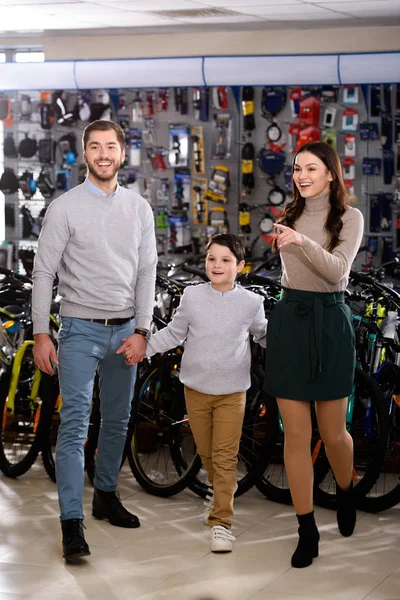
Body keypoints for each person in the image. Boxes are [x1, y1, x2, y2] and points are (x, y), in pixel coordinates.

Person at [32, 120, 157, 562]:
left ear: (123, 153)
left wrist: (143, 331)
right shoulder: (64, 208)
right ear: (84, 154)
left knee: (118, 421)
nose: (104, 154)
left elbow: (147, 274)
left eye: (111, 146)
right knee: (75, 425)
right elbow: (44, 272)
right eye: (95, 147)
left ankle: (105, 495)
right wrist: (41, 333)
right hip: (79, 329)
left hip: (126, 332)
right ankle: (71, 522)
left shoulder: (140, 209)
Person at [265, 141, 364, 568]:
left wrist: (301, 239)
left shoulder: (350, 218)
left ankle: (346, 489)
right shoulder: (289, 215)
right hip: (291, 321)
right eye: (296, 168)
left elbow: (337, 270)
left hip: (329, 324)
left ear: (330, 173)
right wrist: (295, 235)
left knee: (334, 431)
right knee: (296, 435)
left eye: (311, 168)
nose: (301, 175)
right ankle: (306, 529)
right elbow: (296, 273)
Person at [145, 234, 268, 553]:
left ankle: (222, 523)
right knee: (208, 454)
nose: (217, 265)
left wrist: (290, 343)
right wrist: (143, 348)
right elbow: (174, 333)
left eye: (226, 260)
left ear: (240, 266)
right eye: (212, 258)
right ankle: (220, 492)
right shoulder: (192, 296)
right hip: (196, 389)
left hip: (232, 393)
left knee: (226, 457)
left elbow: (263, 335)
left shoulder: (252, 303)